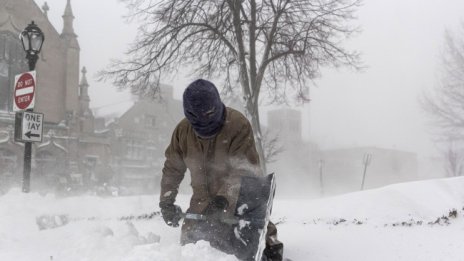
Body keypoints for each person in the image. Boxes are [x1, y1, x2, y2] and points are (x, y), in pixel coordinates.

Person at [159, 79, 283, 261]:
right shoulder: (182, 132)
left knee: (251, 246)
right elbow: (172, 169)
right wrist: (166, 202)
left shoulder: (237, 125)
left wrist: (223, 200)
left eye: (209, 114)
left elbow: (245, 169)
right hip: (201, 206)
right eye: (199, 117)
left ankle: (269, 245)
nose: (205, 121)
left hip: (239, 201)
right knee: (193, 250)